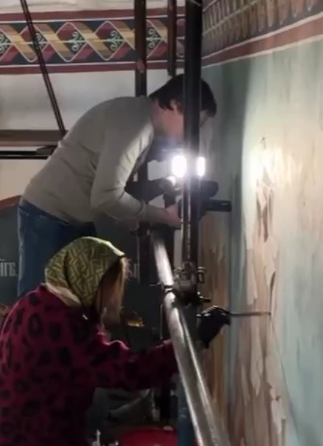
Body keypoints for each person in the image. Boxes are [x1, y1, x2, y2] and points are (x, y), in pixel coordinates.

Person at [0, 237, 229, 446]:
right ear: (89, 282)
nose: (114, 296)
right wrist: (193, 339)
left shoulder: (34, 301)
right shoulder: (64, 326)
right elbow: (131, 371)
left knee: (99, 407)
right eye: (110, 288)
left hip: (2, 431)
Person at [17, 74, 218, 296]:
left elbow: (111, 187)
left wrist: (158, 187)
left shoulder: (137, 115)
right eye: (194, 125)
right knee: (37, 302)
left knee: (81, 301)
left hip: (72, 218)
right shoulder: (136, 126)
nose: (191, 134)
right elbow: (107, 196)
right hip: (48, 216)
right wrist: (163, 216)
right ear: (175, 105)